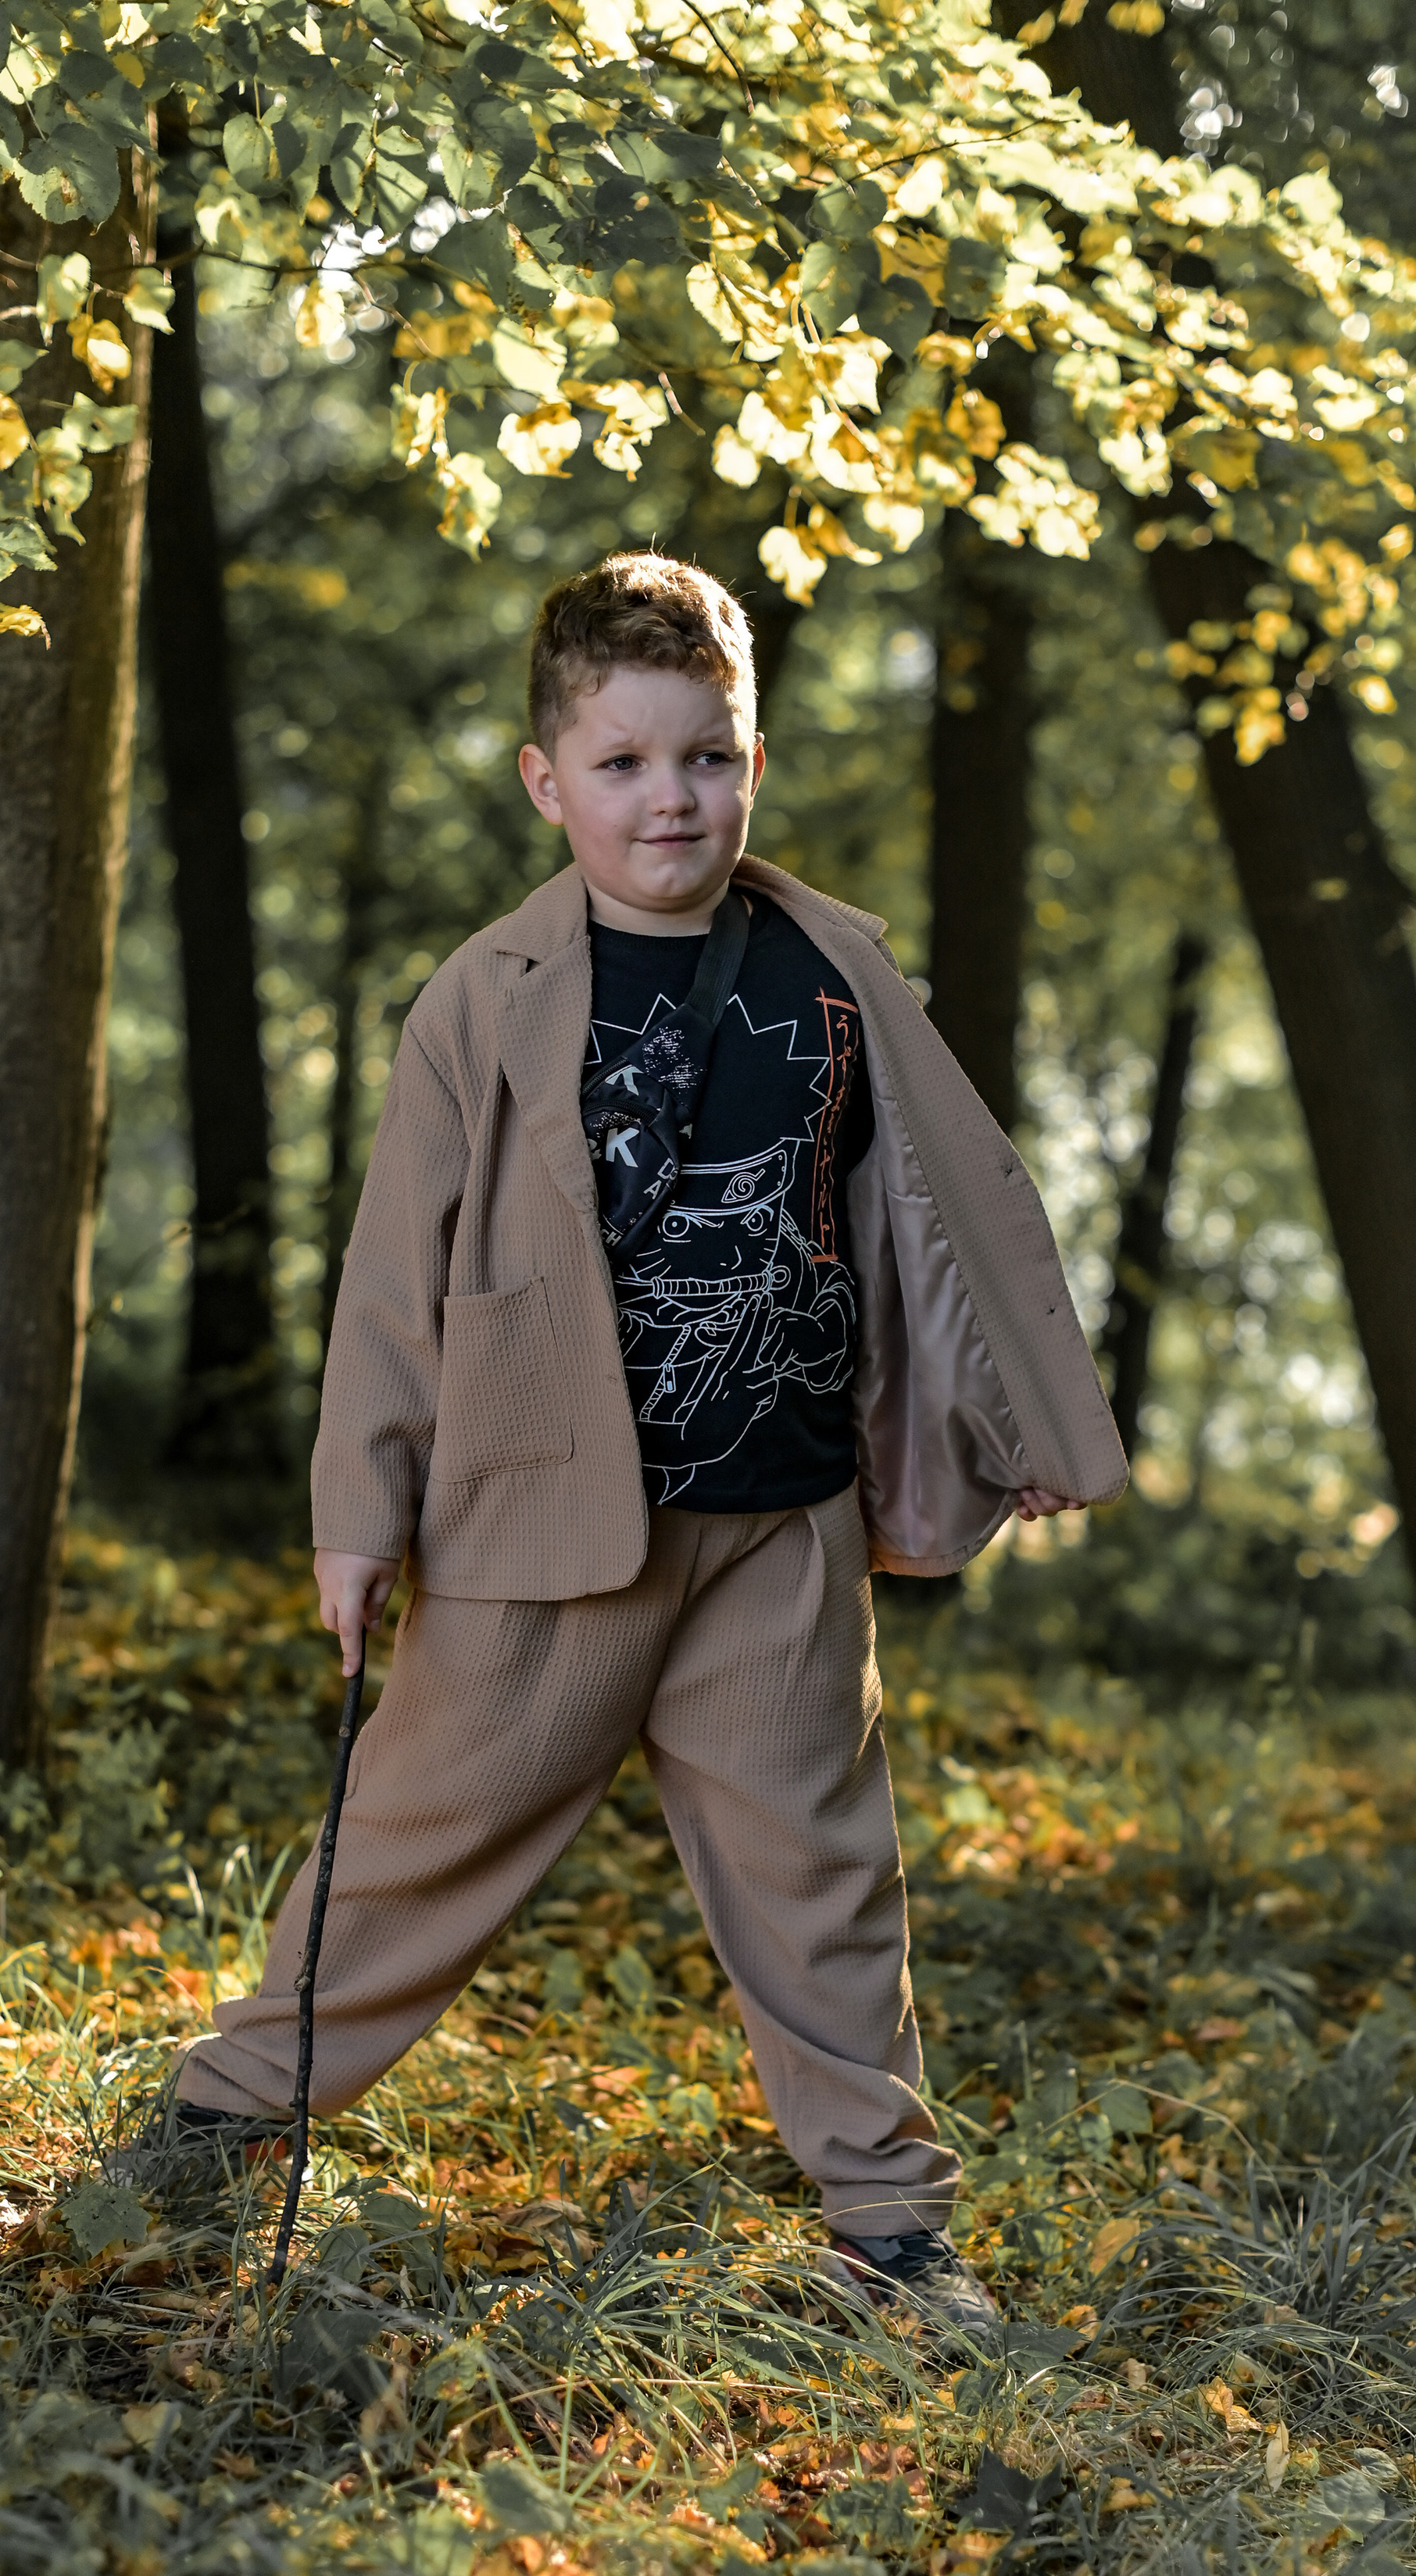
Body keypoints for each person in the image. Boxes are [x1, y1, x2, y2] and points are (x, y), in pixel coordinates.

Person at [147, 551, 1125, 2344]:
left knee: (822, 1874)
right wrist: (355, 1510)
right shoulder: (485, 995)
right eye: (622, 763)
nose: (669, 797)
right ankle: (216, 2128)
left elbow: (944, 1217)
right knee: (416, 1841)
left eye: (708, 756)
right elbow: (391, 1275)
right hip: (543, 1522)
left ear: (751, 759)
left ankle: (894, 2231)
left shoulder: (834, 967)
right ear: (546, 779)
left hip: (779, 1519)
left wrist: (1021, 1424)